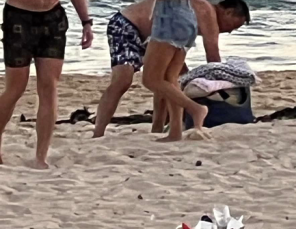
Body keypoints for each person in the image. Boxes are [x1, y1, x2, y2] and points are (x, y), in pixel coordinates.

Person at [93, 0, 250, 139]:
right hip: (129, 25)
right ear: (228, 12)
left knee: (163, 79)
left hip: (167, 30)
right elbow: (213, 59)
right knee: (138, 80)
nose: (230, 31)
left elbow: (213, 60)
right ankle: (162, 128)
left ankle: (174, 121)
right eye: (234, 25)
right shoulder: (206, 10)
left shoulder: (200, 9)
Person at [0, 0, 93, 168]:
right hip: (18, 17)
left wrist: (86, 22)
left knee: (49, 87)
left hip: (53, 18)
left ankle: (41, 157)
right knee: (15, 89)